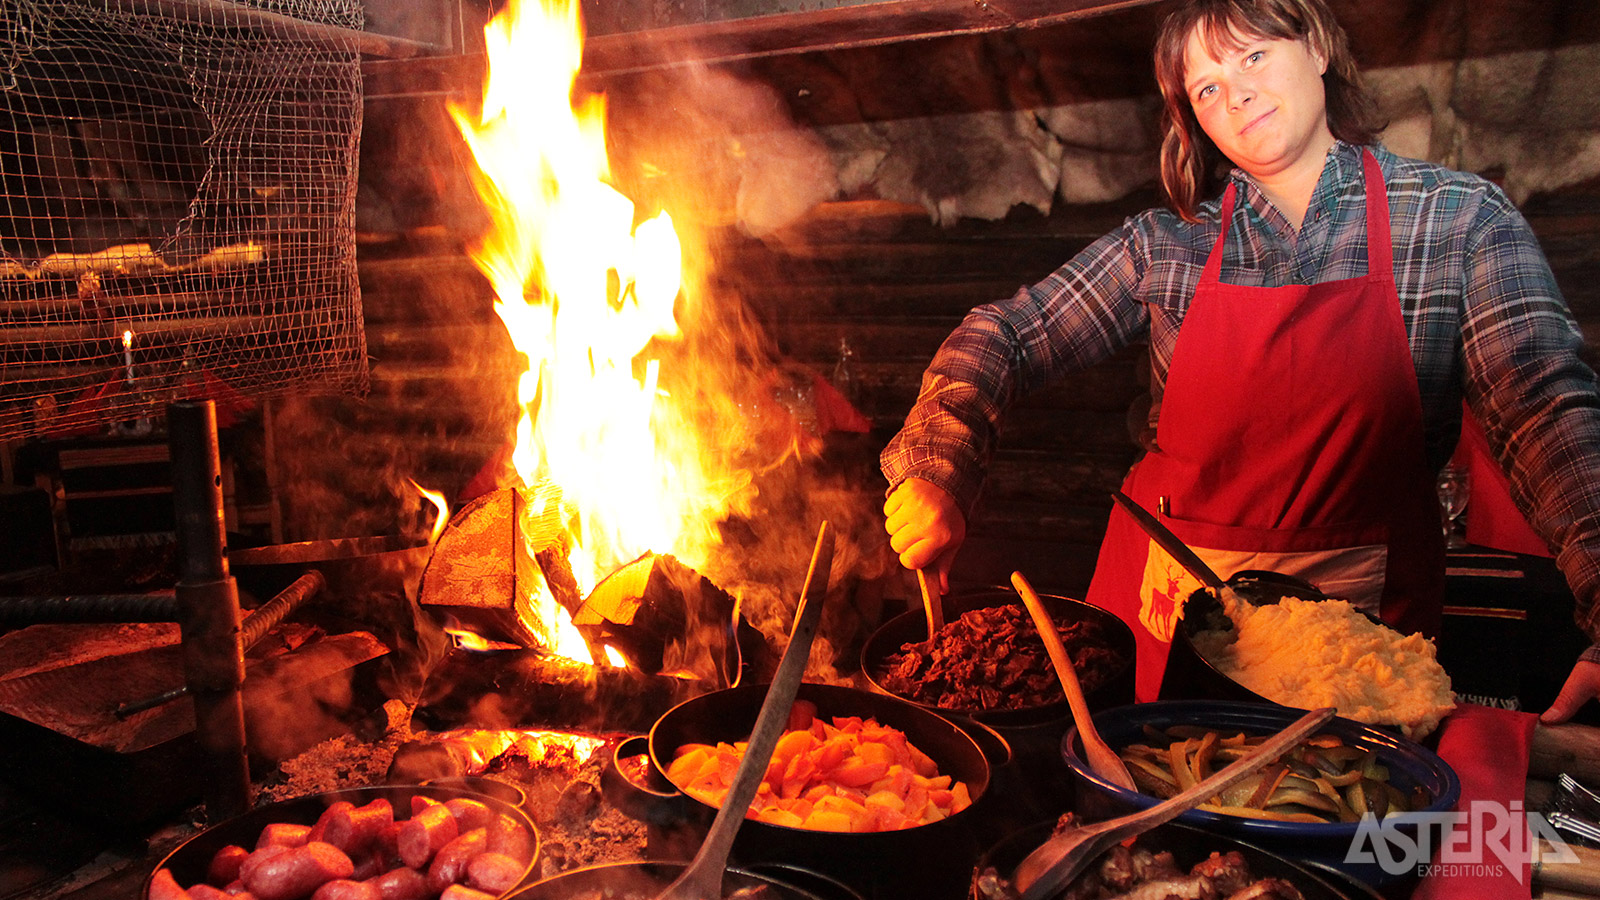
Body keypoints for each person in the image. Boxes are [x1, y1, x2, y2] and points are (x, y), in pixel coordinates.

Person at [879, 0, 1600, 720]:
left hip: (1357, 655)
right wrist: (940, 466)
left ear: (1318, 47)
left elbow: (1544, 411)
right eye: (1207, 89)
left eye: (1253, 57)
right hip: (1162, 626)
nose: (1236, 95)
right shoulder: (1167, 244)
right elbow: (1007, 332)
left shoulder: (1458, 221)